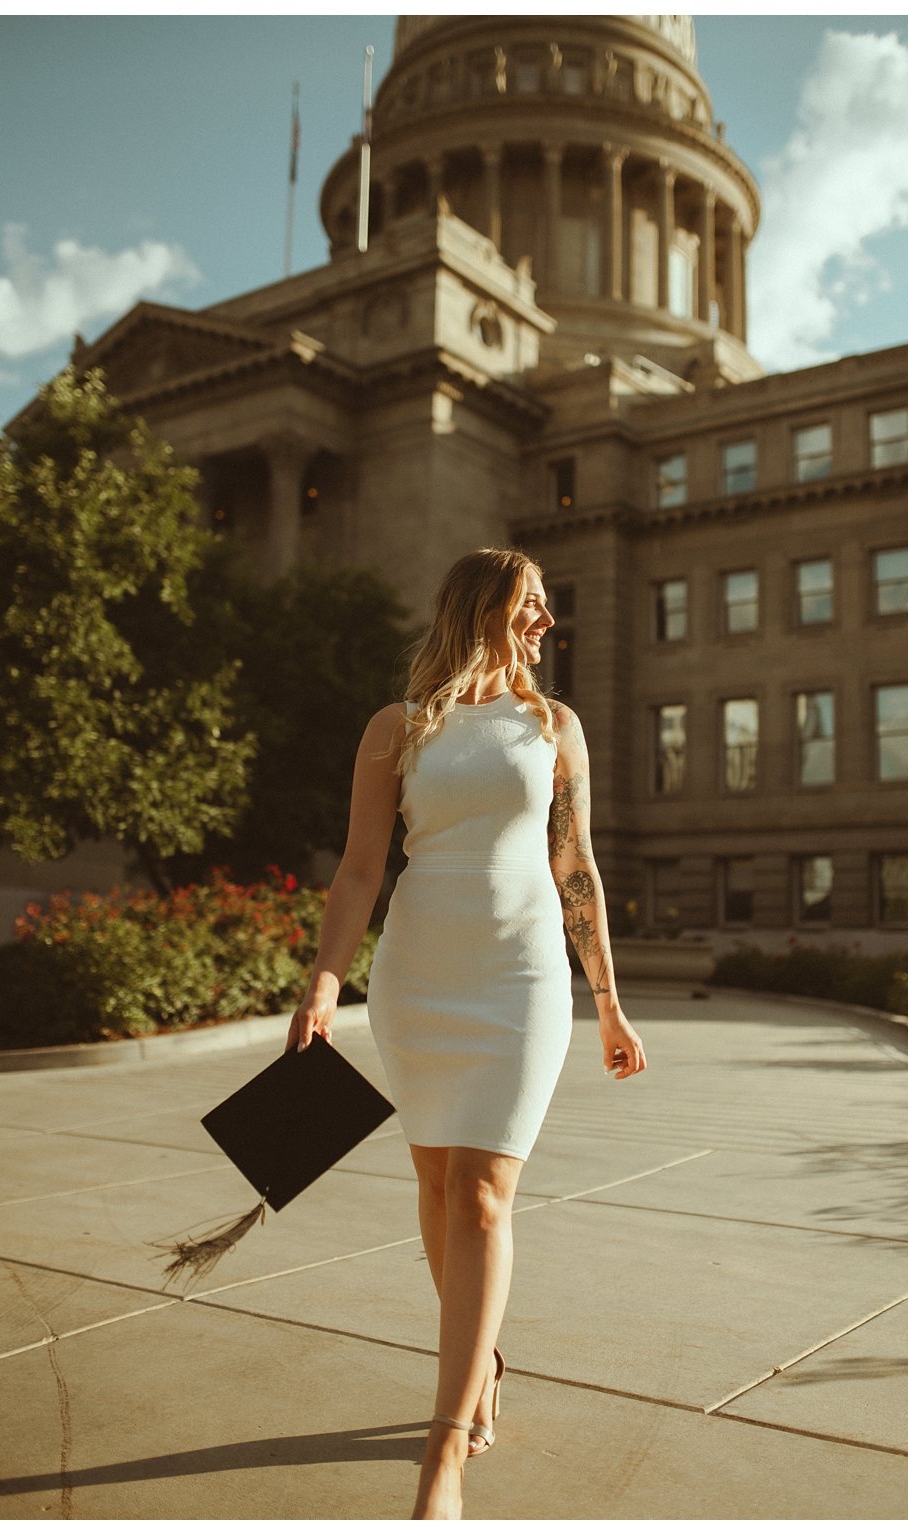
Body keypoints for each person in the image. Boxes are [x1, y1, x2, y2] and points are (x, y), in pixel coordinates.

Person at [286, 547, 646, 1519]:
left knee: (482, 1197)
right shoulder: (393, 728)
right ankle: (477, 1357)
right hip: (416, 976)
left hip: (520, 976)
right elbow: (360, 869)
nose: (544, 622)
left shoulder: (552, 726)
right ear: (480, 606)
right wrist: (324, 983)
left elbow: (573, 867)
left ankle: (440, 1451)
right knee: (438, 1185)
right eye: (529, 604)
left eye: (546, 609)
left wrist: (606, 997)